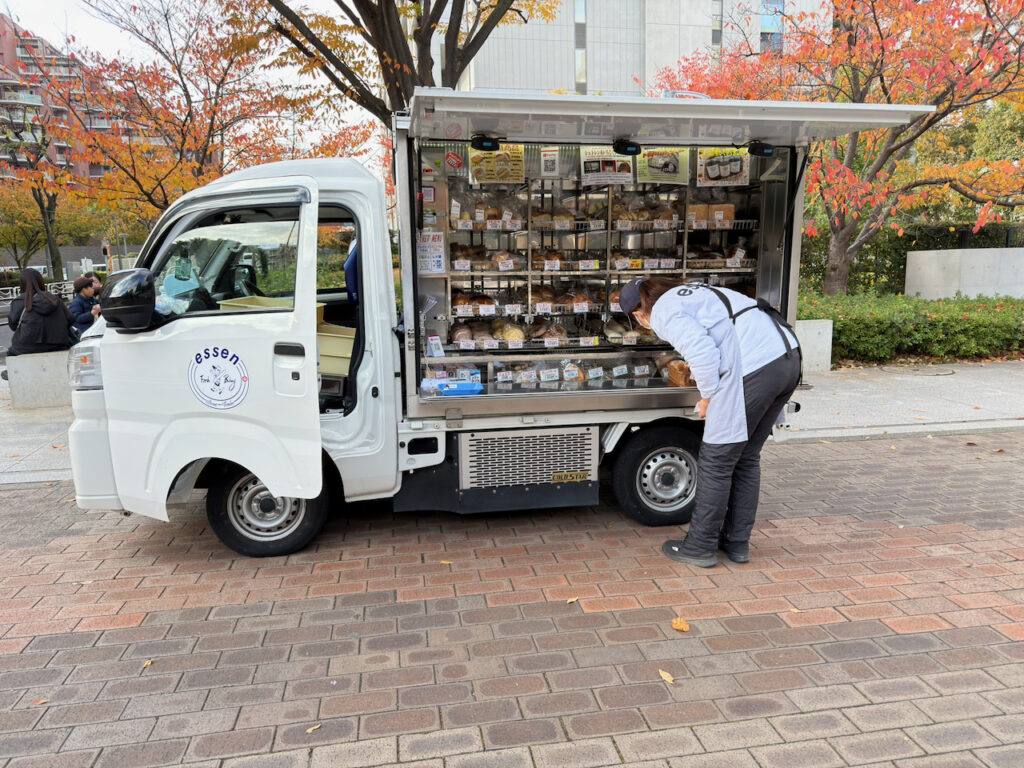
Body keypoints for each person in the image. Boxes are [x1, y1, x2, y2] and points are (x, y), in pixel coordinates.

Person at [619, 277, 802, 567]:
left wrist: (707, 397)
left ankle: (700, 546)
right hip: (787, 357)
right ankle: (736, 542)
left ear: (639, 313)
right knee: (746, 457)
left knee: (716, 460)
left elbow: (703, 353)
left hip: (755, 366)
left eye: (637, 319)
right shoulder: (694, 292)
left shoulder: (663, 310)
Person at [6, 268, 75, 356]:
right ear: (40, 281)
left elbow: (13, 325)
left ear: (22, 283)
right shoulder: (54, 299)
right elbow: (71, 319)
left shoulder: (19, 301)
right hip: (58, 345)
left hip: (26, 347)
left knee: (10, 353)